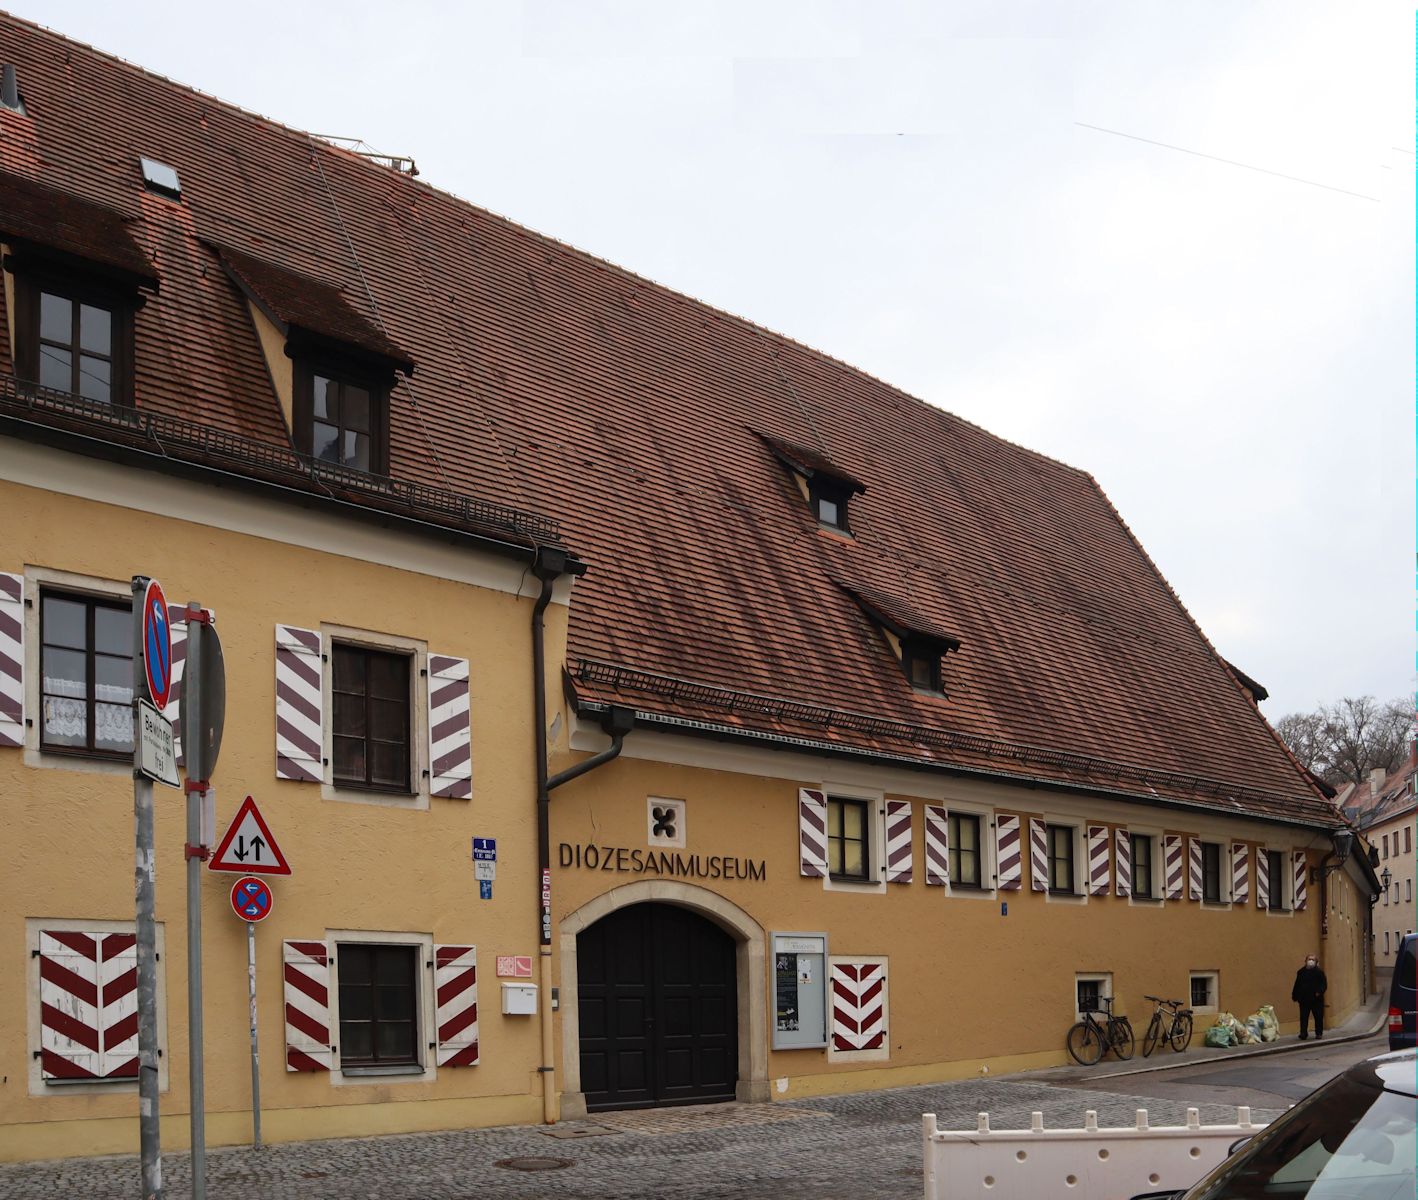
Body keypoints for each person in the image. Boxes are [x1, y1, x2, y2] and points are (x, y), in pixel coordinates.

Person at [1291, 953, 1327, 1039]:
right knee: (1304, 1017)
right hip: (1304, 999)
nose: (1310, 961)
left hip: (1316, 999)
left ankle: (1318, 1033)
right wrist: (1295, 995)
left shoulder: (1319, 972)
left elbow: (1324, 984)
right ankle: (1303, 1033)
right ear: (1306, 961)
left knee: (1318, 1016)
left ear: (1316, 962)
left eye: (1313, 960)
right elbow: (1297, 984)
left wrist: (1319, 992)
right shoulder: (1301, 972)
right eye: (1309, 959)